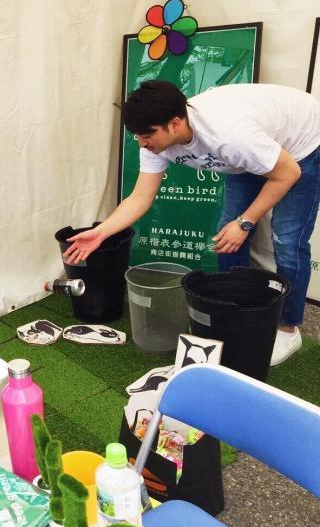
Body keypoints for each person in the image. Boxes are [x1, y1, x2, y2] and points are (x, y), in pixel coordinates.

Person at [65, 81, 320, 365]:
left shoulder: (229, 134)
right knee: (226, 235)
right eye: (136, 135)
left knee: (288, 240)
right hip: (254, 149)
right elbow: (140, 197)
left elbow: (287, 173)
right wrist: (100, 233)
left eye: (146, 135)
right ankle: (234, 311)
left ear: (174, 124)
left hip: (303, 145)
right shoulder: (153, 141)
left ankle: (288, 327)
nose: (141, 143)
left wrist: (246, 222)